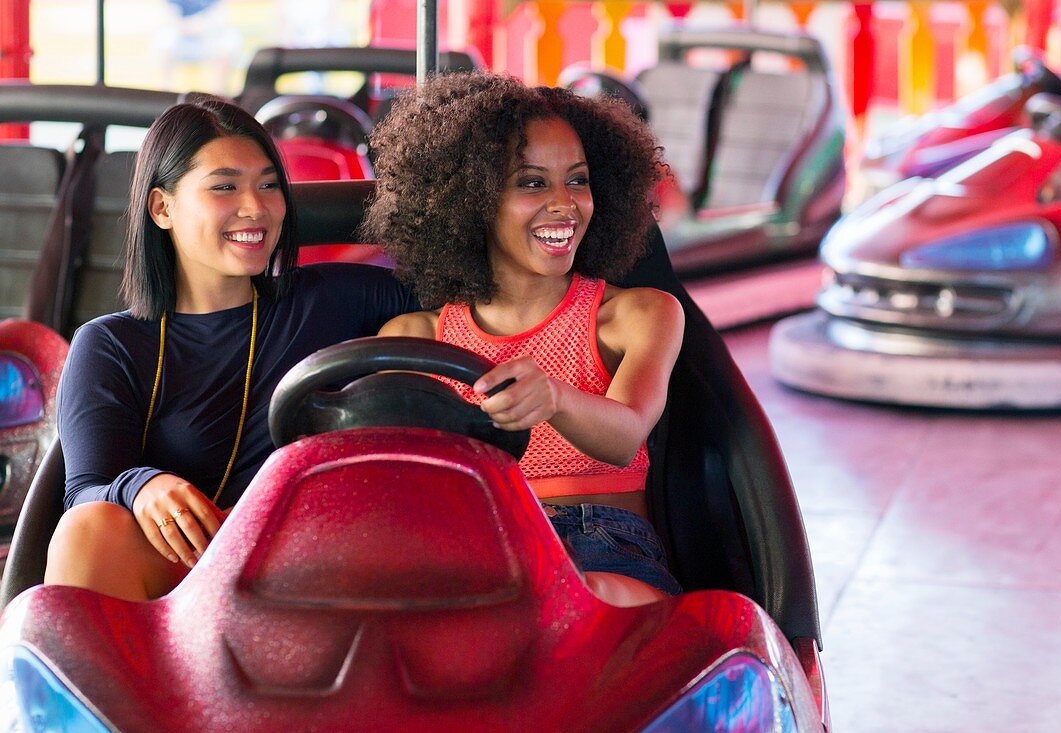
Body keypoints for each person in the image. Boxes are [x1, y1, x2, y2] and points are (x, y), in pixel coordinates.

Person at [45, 96, 418, 601]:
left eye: (268, 185)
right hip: (182, 588)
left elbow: (490, 301)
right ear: (162, 207)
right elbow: (85, 491)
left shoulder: (333, 299)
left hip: (318, 577)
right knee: (89, 529)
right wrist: (141, 485)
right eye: (225, 187)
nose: (256, 207)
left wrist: (416, 326)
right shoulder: (113, 345)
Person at [364, 73, 684, 605]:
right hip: (474, 552)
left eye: (577, 180)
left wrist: (554, 397)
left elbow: (626, 433)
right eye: (532, 183)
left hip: (602, 546)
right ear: (471, 200)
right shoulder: (414, 340)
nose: (564, 203)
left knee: (577, 600)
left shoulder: (636, 314)